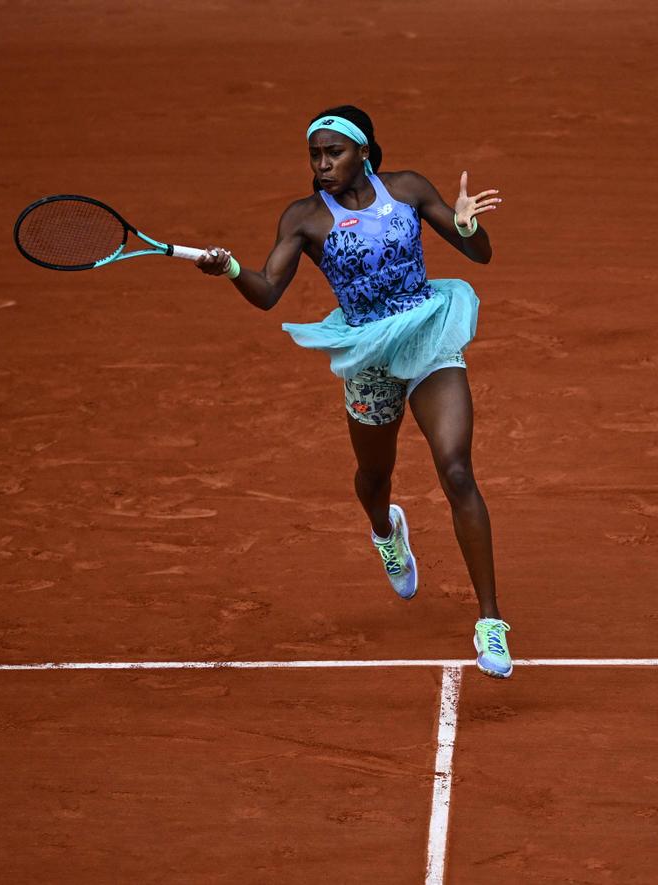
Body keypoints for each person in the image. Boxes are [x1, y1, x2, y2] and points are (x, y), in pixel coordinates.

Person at [196, 105, 512, 678]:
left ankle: (490, 621)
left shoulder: (408, 189)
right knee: (375, 476)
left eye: (333, 152)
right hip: (368, 353)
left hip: (428, 334)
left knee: (458, 470)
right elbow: (268, 292)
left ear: (364, 151)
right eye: (314, 155)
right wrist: (232, 268)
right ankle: (384, 529)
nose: (322, 165)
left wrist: (465, 225)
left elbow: (479, 253)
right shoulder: (304, 220)